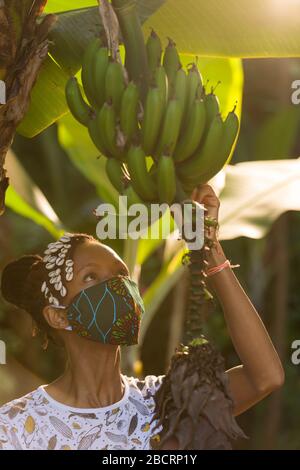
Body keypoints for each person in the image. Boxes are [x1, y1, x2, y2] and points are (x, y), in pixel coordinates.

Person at [0, 184, 284, 450]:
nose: (115, 287)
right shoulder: (17, 427)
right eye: (91, 277)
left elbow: (264, 377)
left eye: (121, 275)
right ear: (58, 317)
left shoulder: (164, 404)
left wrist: (210, 250)